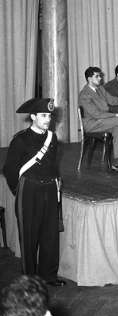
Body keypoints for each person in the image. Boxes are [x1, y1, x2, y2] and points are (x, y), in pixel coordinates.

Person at [3, 98, 65, 287]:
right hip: (29, 191)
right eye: (43, 116)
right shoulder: (20, 139)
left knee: (50, 235)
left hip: (50, 188)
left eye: (49, 116)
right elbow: (10, 170)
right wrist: (20, 190)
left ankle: (49, 276)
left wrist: (56, 183)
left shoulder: (52, 138)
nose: (47, 119)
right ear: (33, 117)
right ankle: (29, 280)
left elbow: (53, 165)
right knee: (29, 237)